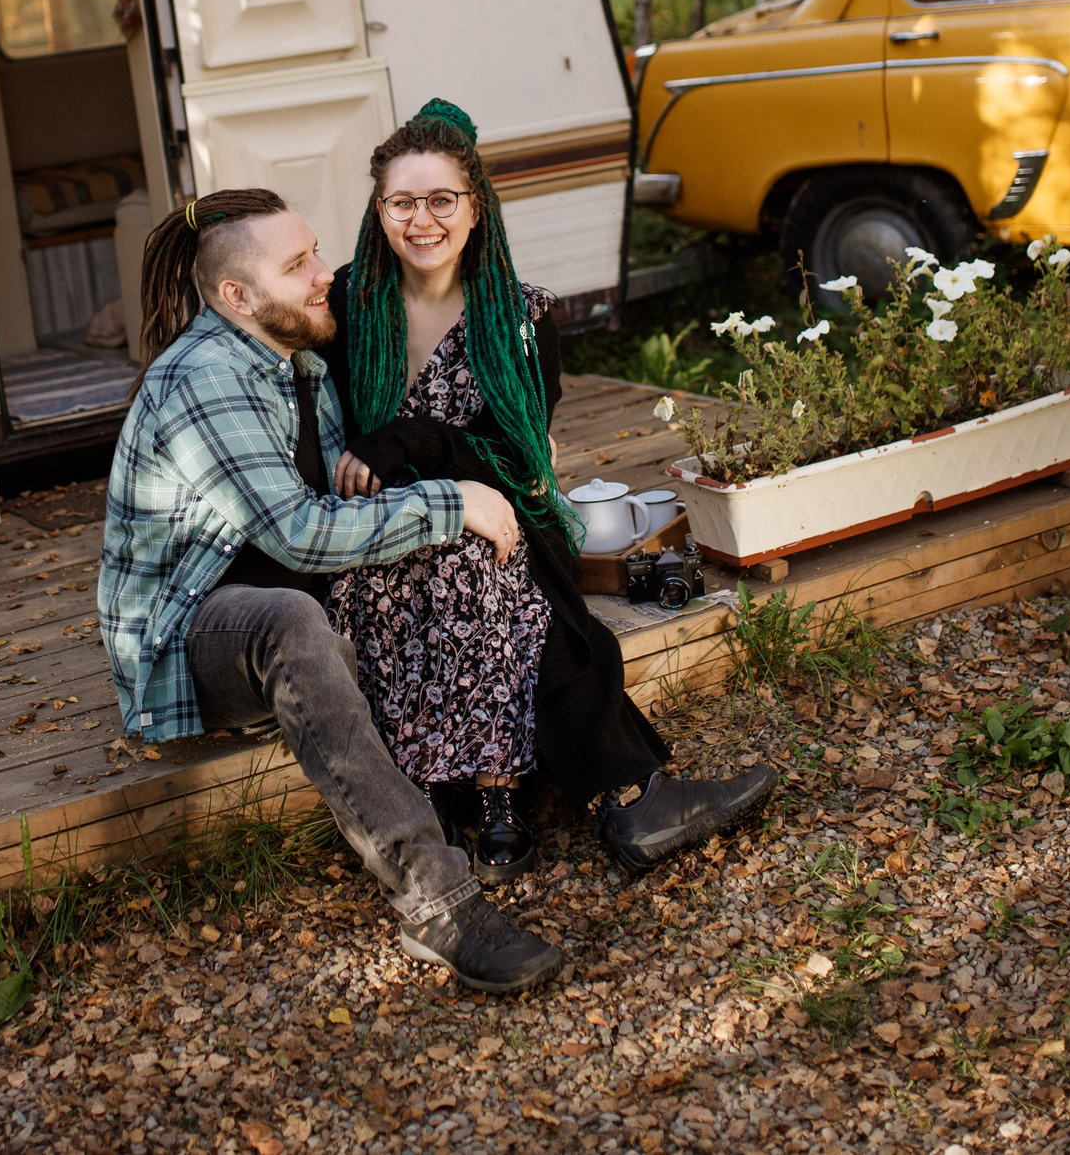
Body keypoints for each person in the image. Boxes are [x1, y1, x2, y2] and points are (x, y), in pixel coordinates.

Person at [96, 186, 563, 995]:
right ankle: (435, 899)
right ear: (236, 296)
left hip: (295, 602)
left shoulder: (302, 361)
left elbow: (357, 511)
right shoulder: (204, 378)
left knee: (430, 558)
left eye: (315, 250)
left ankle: (527, 764)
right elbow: (301, 535)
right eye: (299, 263)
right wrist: (454, 500)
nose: (325, 274)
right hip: (188, 634)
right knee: (292, 618)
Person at [322, 99, 779, 879]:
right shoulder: (345, 306)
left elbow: (518, 464)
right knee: (508, 593)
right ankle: (616, 797)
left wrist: (414, 438)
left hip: (500, 527)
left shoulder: (522, 319)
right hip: (373, 541)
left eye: (442, 200)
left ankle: (473, 805)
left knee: (489, 568)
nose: (422, 219)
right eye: (403, 201)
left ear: (476, 209)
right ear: (378, 209)